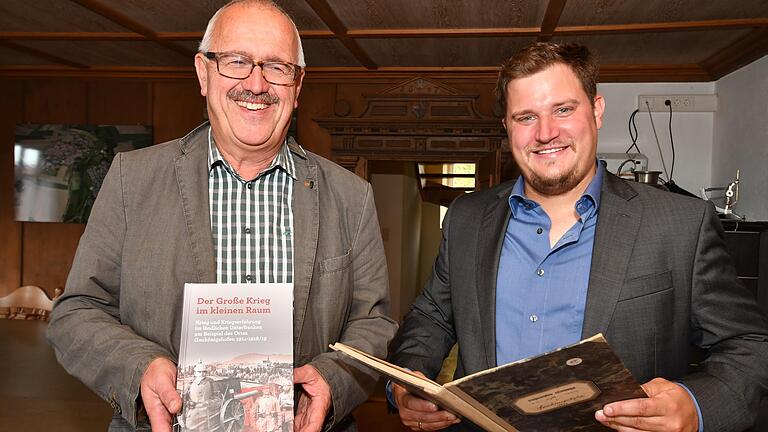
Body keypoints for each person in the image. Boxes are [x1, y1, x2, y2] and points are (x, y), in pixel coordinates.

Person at [46, 1, 397, 431]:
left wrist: (333, 379)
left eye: (276, 66)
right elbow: (76, 312)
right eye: (236, 61)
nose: (256, 83)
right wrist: (140, 367)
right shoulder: (130, 181)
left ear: (298, 84)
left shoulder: (351, 197)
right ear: (203, 72)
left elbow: (373, 323)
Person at [388, 42, 768, 432]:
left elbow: (751, 346)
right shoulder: (466, 217)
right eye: (525, 117)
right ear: (506, 127)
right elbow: (430, 317)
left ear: (597, 110)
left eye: (563, 109)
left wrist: (695, 406)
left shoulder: (679, 223)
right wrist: (407, 383)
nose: (546, 133)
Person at [179, 362, 216, 432]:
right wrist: (181, 417)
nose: (202, 374)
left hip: (206, 415)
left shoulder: (211, 383)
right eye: (199, 372)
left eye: (203, 372)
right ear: (195, 373)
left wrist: (207, 403)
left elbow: (218, 399)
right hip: (192, 416)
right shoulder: (190, 384)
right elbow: (183, 400)